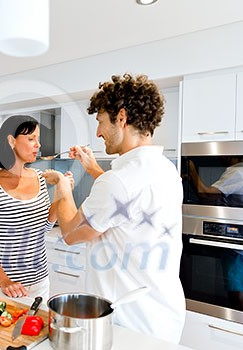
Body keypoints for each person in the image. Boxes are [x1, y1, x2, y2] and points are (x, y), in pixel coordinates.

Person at [42, 73, 186, 343]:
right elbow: (127, 205)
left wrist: (61, 184)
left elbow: (72, 233)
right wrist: (94, 169)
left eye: (100, 121)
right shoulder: (165, 168)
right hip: (163, 316)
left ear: (121, 117)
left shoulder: (118, 181)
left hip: (130, 323)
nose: (98, 133)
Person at [0, 115, 72, 300]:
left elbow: (44, 227)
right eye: (31, 139)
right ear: (11, 141)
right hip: (5, 286)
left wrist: (63, 190)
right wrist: (4, 280)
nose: (38, 144)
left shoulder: (39, 177)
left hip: (40, 283)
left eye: (38, 138)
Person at [188, 156, 243, 312]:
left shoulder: (237, 172)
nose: (220, 155)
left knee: (238, 294)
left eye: (224, 153)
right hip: (235, 240)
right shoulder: (240, 172)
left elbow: (206, 195)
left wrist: (192, 171)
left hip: (238, 244)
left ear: (234, 154)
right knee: (233, 291)